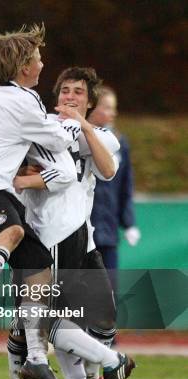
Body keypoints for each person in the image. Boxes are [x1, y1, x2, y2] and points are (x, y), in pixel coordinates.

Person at [0, 23, 86, 379]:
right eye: (38, 57)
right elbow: (58, 137)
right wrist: (74, 124)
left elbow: (21, 137)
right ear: (25, 65)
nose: (43, 63)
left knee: (39, 271)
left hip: (0, 190)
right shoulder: (20, 100)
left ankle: (36, 360)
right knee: (11, 233)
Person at [12, 67, 136, 379]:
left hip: (75, 235)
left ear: (90, 101)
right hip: (48, 230)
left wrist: (82, 126)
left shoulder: (101, 135)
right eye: (65, 90)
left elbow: (108, 170)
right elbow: (16, 166)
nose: (70, 96)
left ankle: (106, 366)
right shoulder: (42, 129)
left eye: (78, 92)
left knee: (89, 318)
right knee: (58, 319)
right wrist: (25, 173)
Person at [89, 86, 140, 291]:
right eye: (108, 107)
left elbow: (125, 187)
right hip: (82, 229)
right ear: (93, 108)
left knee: (109, 290)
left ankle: (104, 324)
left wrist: (128, 223)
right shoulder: (76, 138)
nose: (113, 113)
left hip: (108, 230)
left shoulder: (120, 143)